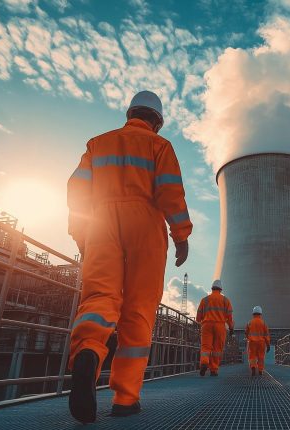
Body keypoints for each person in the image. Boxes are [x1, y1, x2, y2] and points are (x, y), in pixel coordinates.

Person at [66, 90, 192, 423]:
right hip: (146, 225)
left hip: (101, 223)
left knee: (99, 297)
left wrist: (82, 235)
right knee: (138, 309)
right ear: (158, 121)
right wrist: (181, 237)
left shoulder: (97, 143)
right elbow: (170, 192)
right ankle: (124, 398)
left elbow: (77, 191)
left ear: (129, 113)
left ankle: (89, 352)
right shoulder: (159, 146)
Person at [196, 279, 234, 376]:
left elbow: (198, 316)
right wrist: (231, 328)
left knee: (205, 346)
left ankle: (204, 362)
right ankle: (213, 369)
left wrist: (199, 322)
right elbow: (229, 317)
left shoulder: (205, 300)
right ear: (221, 289)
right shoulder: (226, 300)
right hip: (220, 326)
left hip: (206, 325)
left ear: (212, 288)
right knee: (217, 349)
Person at [245, 306, 271, 376]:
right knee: (261, 357)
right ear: (260, 314)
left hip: (252, 342)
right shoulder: (263, 323)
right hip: (261, 343)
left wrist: (249, 339)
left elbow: (246, 332)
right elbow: (266, 335)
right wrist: (268, 345)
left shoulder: (249, 322)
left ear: (253, 313)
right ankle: (260, 370)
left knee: (252, 356)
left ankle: (253, 367)